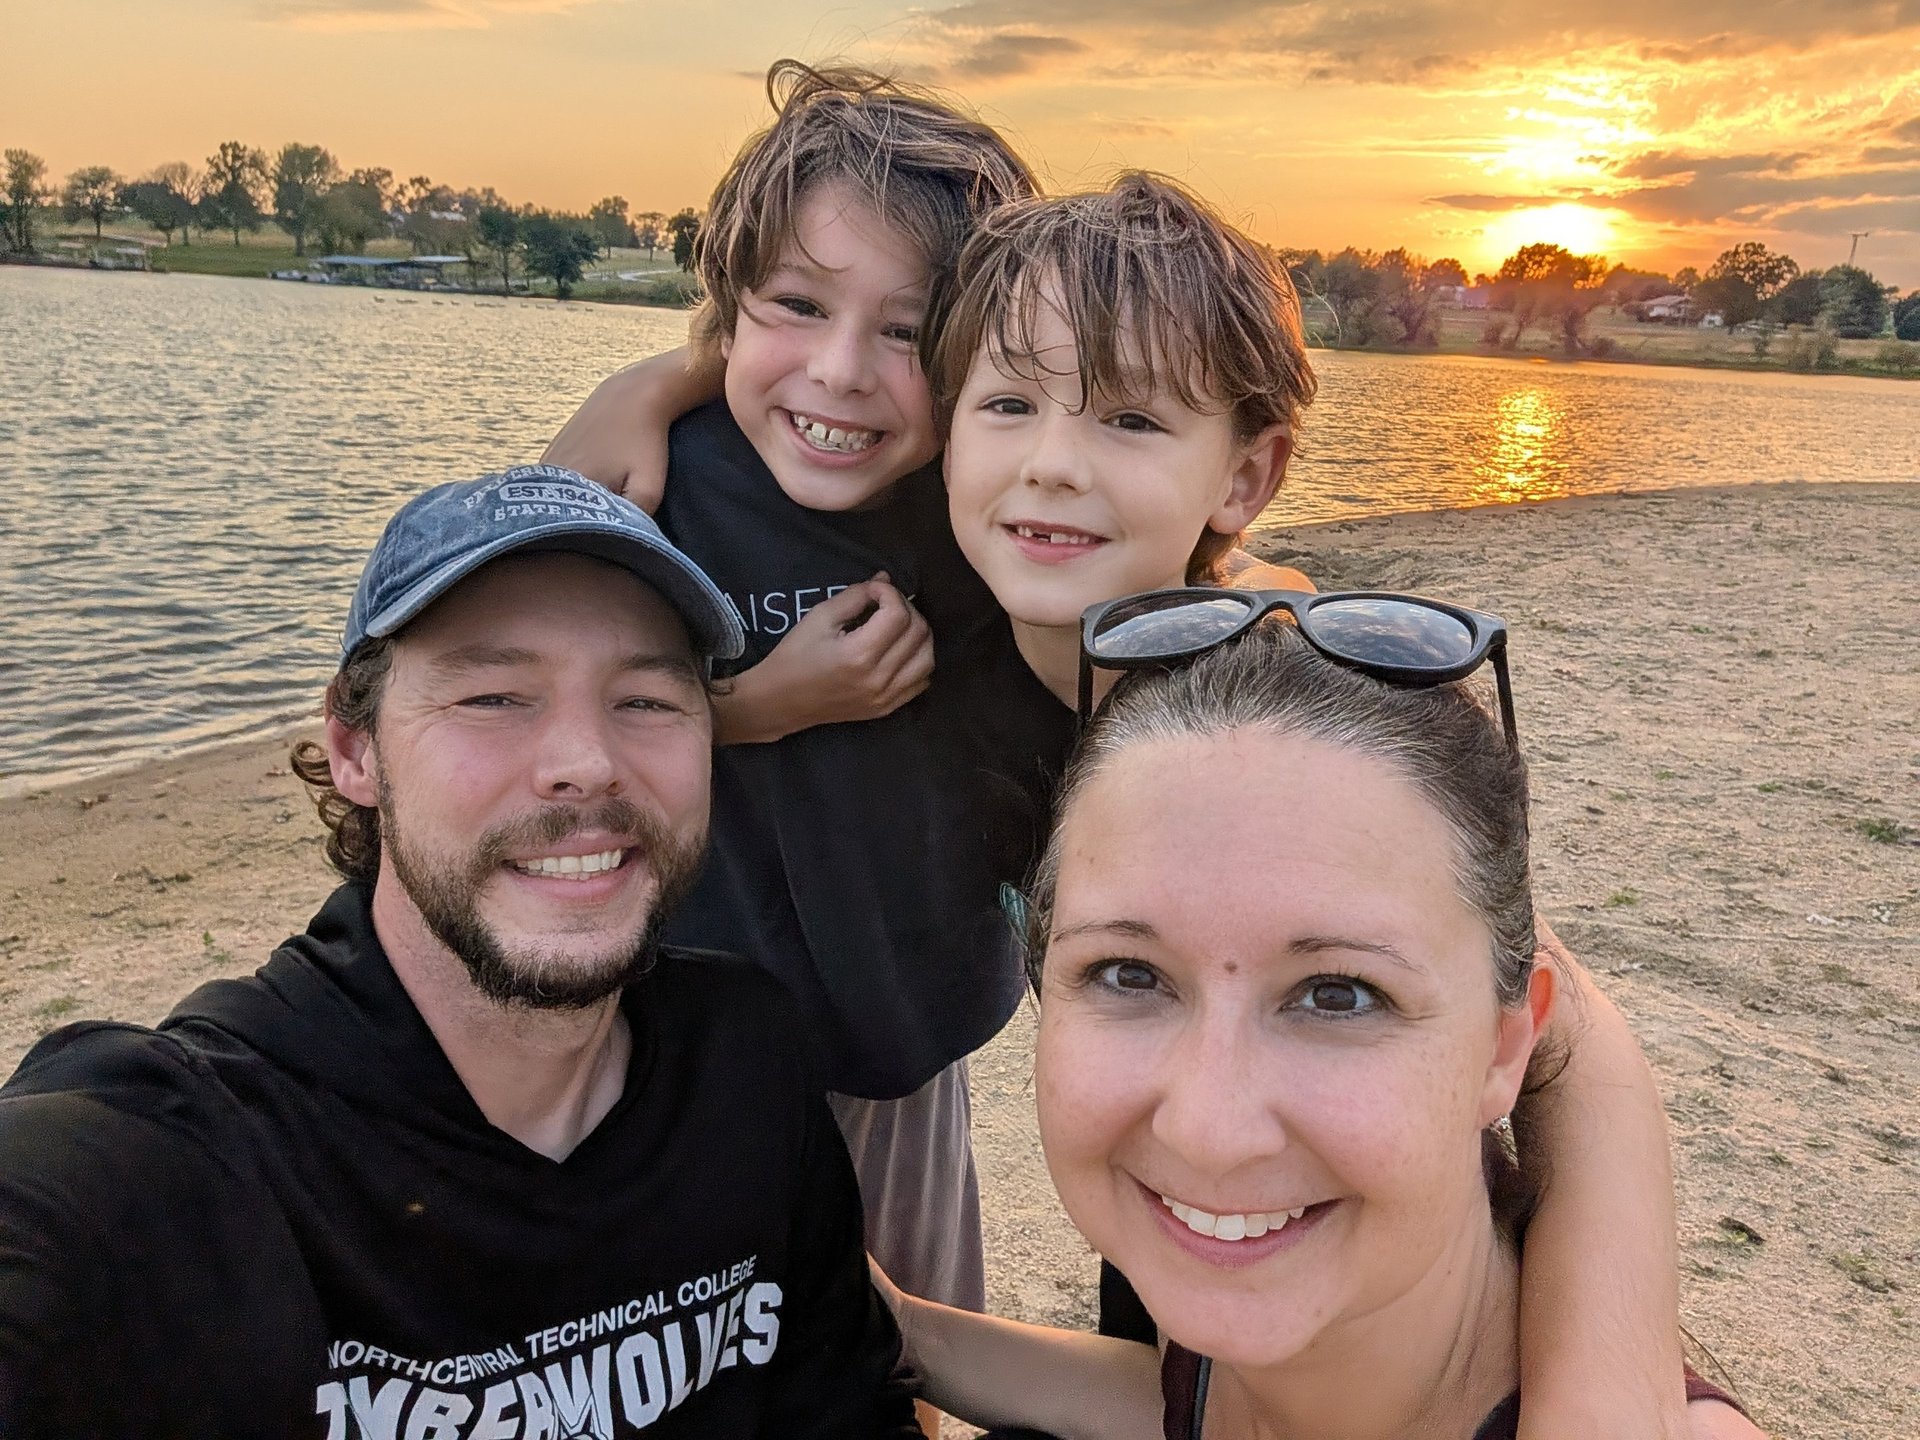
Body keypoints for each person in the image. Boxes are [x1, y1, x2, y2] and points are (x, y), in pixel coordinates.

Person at [551, 139, 1692, 1435]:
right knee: (1181, 1366)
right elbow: (832, 345)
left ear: (1244, 474)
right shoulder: (951, 552)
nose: (1052, 463)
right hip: (1160, 1147)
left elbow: (1552, 1017)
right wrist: (661, 381)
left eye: (1131, 419)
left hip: (1379, 1246)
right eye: (1009, 407)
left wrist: (1611, 1388)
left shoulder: (1262, 676)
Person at [0, 465, 921, 1440]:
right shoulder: (190, 1153)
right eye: (492, 696)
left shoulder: (743, 1059)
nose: (586, 762)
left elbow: (847, 1407)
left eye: (647, 701)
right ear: (355, 752)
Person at [878, 602, 1765, 1440]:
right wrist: (913, 1331)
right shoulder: (1290, 1322)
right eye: (1128, 973)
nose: (1209, 1133)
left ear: (1507, 1045)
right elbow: (1183, 1410)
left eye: (1338, 994)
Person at [550, 61, 1046, 1372]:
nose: (841, 374)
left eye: (907, 330)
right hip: (668, 1052)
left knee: (910, 1353)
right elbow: (518, 724)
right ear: (728, 312)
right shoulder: (666, 482)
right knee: (680, 1365)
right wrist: (752, 709)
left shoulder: (987, 496)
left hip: (896, 1043)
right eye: (796, 305)